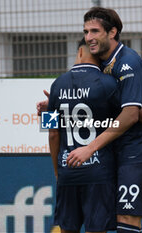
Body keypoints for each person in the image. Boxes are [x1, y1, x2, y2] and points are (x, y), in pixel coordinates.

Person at [66, 7, 142, 233]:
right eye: (86, 32)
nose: (89, 38)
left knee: (126, 218)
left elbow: (130, 114)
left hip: (132, 153)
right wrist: (51, 108)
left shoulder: (128, 63)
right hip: (100, 157)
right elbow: (69, 107)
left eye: (95, 31)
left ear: (112, 32)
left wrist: (89, 148)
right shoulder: (88, 67)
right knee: (94, 223)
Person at [48, 38, 120, 233]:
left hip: (67, 171)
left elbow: (53, 134)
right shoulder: (109, 84)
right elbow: (123, 122)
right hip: (99, 172)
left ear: (79, 53)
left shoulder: (56, 85)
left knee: (67, 229)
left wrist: (58, 170)